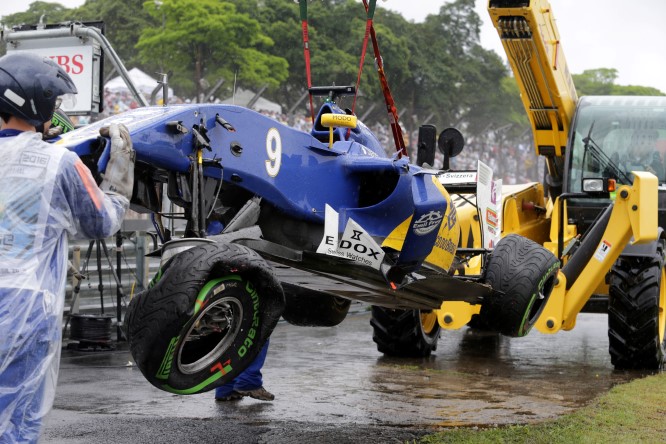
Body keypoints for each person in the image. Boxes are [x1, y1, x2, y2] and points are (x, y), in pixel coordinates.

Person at [0, 52, 135, 442]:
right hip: (25, 309)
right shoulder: (59, 162)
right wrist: (117, 178)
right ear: (37, 103)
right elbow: (101, 222)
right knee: (17, 419)